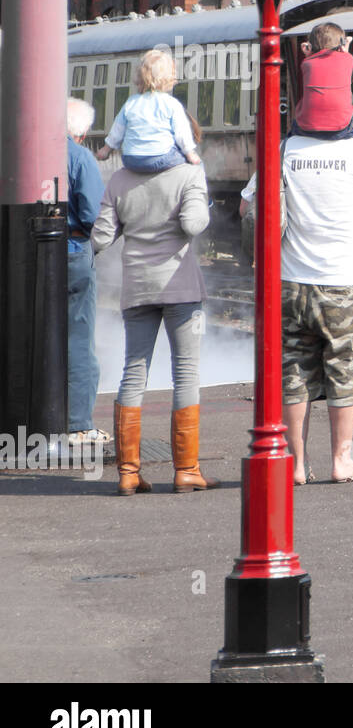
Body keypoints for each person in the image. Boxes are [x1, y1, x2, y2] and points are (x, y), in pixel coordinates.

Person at [243, 127, 353, 484]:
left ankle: (296, 465)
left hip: (293, 282)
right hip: (348, 284)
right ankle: (342, 461)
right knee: (347, 367)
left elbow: (247, 204)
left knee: (295, 371)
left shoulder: (284, 148)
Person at [92, 116, 217, 495]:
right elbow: (195, 224)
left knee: (134, 370)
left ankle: (128, 473)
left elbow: (101, 236)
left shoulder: (119, 179)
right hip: (180, 288)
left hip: (138, 289)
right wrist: (200, 203)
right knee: (186, 374)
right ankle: (186, 470)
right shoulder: (188, 174)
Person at [67, 98, 109, 447]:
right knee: (79, 340)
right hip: (72, 253)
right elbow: (93, 215)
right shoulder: (80, 158)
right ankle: (78, 423)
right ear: (81, 133)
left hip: (24, 255)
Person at [96, 49, 202, 172]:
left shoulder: (131, 102)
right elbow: (181, 133)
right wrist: (190, 153)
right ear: (170, 78)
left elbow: (117, 130)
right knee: (197, 167)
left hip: (131, 159)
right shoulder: (171, 104)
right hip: (160, 157)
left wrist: (105, 150)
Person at [293, 22, 353, 143]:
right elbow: (349, 78)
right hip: (341, 128)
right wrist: (345, 50)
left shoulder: (306, 63)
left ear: (311, 45)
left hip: (308, 127)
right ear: (341, 44)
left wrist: (308, 54)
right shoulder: (348, 59)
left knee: (290, 135)